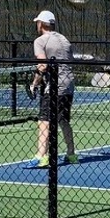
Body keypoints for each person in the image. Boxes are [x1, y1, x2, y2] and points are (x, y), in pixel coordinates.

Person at [26, 11, 78, 168]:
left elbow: (43, 66)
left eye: (38, 23)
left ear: (41, 24)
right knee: (63, 120)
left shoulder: (40, 41)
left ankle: (42, 157)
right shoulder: (64, 39)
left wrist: (34, 84)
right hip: (69, 85)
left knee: (44, 120)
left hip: (55, 86)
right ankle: (71, 154)